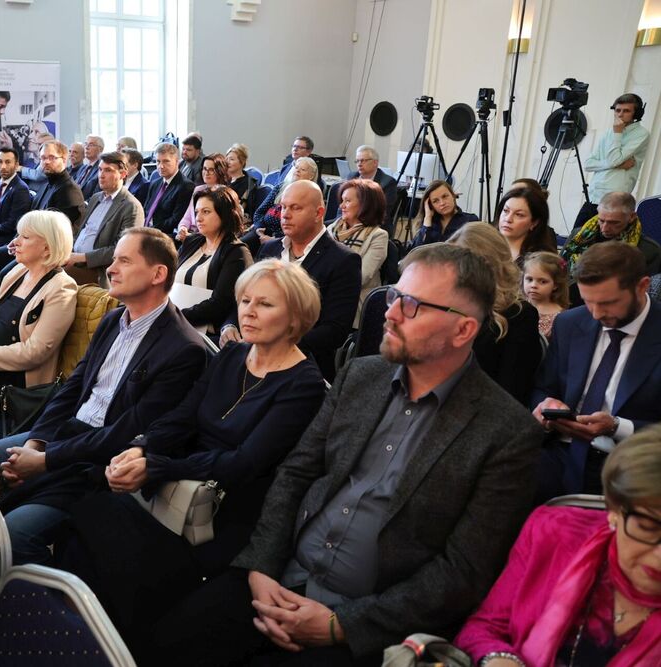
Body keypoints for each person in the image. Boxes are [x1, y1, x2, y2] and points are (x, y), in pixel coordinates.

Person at [149, 243, 544, 666]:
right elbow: (297, 474)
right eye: (394, 296)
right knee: (161, 645)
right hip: (280, 579)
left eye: (411, 305)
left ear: (463, 330)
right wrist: (260, 567)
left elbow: (462, 572)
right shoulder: (362, 375)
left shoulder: (505, 432)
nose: (389, 313)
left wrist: (345, 625)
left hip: (365, 620)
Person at [57, 259, 326, 654]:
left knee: (114, 558)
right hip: (176, 488)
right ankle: (88, 646)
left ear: (295, 318)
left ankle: (117, 646)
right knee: (81, 523)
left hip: (224, 514)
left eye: (265, 305)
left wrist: (156, 467)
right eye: (245, 300)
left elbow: (243, 463)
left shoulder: (304, 386)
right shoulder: (232, 356)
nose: (248, 311)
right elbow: (182, 417)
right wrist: (142, 447)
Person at [0, 227, 209, 565]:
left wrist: (45, 460)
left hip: (97, 464)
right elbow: (71, 389)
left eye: (123, 260)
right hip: (66, 436)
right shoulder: (111, 321)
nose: (110, 268)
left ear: (157, 274)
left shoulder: (182, 349)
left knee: (13, 534)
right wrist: (37, 443)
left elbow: (124, 433)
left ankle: (45, 611)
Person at [456, 425, 661, 667]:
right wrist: (500, 659)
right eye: (648, 525)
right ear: (613, 510)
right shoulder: (554, 534)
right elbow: (484, 628)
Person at [532, 241, 661, 500]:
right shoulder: (570, 323)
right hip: (559, 452)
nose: (596, 313)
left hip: (635, 463)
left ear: (642, 286)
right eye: (588, 301)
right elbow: (543, 388)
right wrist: (545, 407)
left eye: (608, 303)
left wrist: (616, 426)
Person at [223, 180, 361, 381]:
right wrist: (231, 325)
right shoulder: (270, 249)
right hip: (252, 355)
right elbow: (247, 297)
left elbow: (335, 330)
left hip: (301, 366)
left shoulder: (343, 260)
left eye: (296, 208)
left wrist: (274, 339)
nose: (285, 215)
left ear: (318, 213)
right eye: (283, 207)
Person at [0, 210, 77, 420]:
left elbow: (35, 352)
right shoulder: (18, 272)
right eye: (18, 235)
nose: (16, 242)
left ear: (47, 247)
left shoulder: (62, 288)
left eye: (25, 237)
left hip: (12, 383)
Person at [448, 222, 543, 405]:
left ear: (488, 265)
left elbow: (512, 390)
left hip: (483, 410)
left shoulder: (519, 314)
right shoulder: (444, 302)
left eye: (460, 265)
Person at [174, 185, 253, 335]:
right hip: (175, 323)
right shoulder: (191, 242)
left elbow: (220, 304)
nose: (198, 218)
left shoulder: (237, 252)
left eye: (206, 212)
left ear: (224, 215)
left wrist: (176, 316)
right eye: (197, 212)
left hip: (206, 334)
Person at [66, 151, 145, 287]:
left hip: (100, 270)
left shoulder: (131, 206)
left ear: (123, 174)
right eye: (100, 170)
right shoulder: (96, 198)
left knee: (56, 277)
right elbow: (82, 233)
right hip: (74, 258)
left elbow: (123, 250)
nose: (101, 175)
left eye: (108, 170)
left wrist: (82, 258)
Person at [574, 93, 651, 229]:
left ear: (636, 114)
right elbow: (588, 164)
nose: (620, 114)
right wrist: (616, 165)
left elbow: (614, 159)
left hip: (615, 200)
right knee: (575, 240)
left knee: (603, 247)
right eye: (617, 110)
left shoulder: (641, 134)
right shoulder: (609, 132)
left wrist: (618, 134)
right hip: (593, 196)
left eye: (626, 111)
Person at [327, 178, 389, 325]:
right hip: (324, 297)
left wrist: (324, 280)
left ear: (365, 205)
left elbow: (360, 277)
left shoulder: (378, 236)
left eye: (347, 201)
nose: (341, 205)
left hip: (354, 304)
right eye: (342, 200)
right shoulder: (331, 230)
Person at [562, 191, 661, 275]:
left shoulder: (649, 250)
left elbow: (649, 291)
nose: (605, 228)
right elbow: (558, 268)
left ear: (631, 217)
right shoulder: (578, 235)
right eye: (601, 220)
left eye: (614, 222)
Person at [243, 156, 320, 256]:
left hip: (283, 240)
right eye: (296, 167)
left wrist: (274, 240)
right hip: (262, 231)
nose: (297, 171)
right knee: (237, 248)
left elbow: (300, 228)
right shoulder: (281, 187)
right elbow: (260, 211)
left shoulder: (310, 196)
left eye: (303, 169)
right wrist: (259, 229)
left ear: (311, 176)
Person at [0, 146, 33, 249]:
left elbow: (13, 224)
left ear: (16, 165)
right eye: (0, 161)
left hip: (6, 239)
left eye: (8, 162)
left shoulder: (20, 189)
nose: (3, 166)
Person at [407, 179, 480, 249]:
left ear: (453, 196)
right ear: (430, 205)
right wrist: (427, 218)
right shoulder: (428, 223)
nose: (442, 203)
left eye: (445, 196)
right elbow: (417, 252)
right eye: (435, 201)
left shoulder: (470, 220)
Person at [496, 185, 557, 267]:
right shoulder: (485, 247)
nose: (508, 219)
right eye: (506, 211)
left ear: (534, 222)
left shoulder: (541, 262)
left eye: (519, 215)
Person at [175, 153, 231, 240]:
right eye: (204, 169)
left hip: (207, 238)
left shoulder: (225, 194)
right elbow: (187, 217)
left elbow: (218, 229)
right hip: (191, 235)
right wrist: (182, 229)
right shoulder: (198, 190)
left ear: (220, 171)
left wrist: (191, 237)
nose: (206, 173)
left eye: (211, 169)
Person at [144, 142, 194, 235]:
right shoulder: (155, 183)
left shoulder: (186, 186)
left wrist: (152, 230)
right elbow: (147, 209)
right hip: (147, 231)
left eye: (166, 161)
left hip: (164, 236)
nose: (161, 166)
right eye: (158, 161)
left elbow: (176, 219)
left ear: (177, 162)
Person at [31, 140, 86, 224]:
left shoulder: (69, 190)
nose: (46, 162)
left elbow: (61, 230)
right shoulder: (45, 185)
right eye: (43, 158)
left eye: (52, 157)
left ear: (64, 159)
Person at [523, 251, 569, 338]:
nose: (533, 285)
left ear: (555, 284)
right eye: (529, 279)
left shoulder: (560, 317)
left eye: (543, 281)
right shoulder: (517, 306)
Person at [345, 145, 397, 214]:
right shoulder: (352, 177)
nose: (359, 164)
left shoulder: (388, 182)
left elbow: (383, 213)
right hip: (348, 219)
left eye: (363, 161)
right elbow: (343, 205)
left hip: (372, 222)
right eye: (357, 161)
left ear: (375, 163)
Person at [75, 134, 105, 200]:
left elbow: (98, 196)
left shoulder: (102, 169)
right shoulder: (82, 168)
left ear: (101, 149)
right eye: (86, 144)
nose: (86, 147)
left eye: (91, 145)